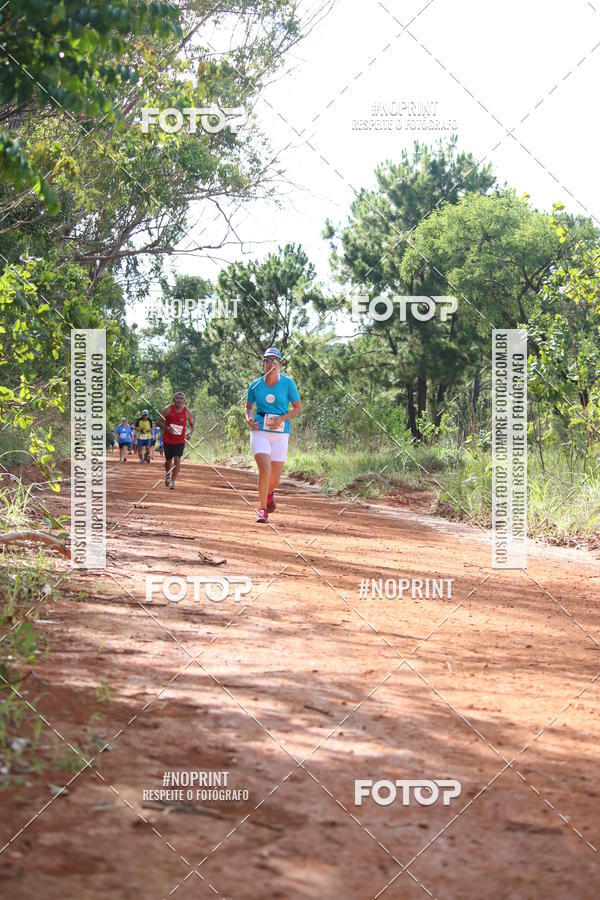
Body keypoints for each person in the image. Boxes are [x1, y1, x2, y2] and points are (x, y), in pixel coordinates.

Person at [245, 348, 301, 523]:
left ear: (280, 364)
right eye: (267, 360)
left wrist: (282, 418)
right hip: (260, 431)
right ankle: (262, 510)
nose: (271, 364)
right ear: (263, 363)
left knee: (275, 479)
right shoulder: (255, 385)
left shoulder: (288, 384)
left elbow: (297, 408)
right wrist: (249, 419)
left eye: (274, 361)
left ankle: (269, 493)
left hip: (280, 434)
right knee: (265, 469)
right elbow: (248, 407)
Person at [157, 392, 194, 489]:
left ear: (184, 401)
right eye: (177, 398)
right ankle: (168, 475)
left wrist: (190, 433)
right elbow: (158, 422)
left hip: (180, 440)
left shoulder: (187, 412)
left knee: (177, 460)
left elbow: (192, 425)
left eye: (181, 398)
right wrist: (167, 428)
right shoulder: (168, 410)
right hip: (168, 440)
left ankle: (172, 481)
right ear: (174, 400)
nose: (179, 400)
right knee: (168, 460)